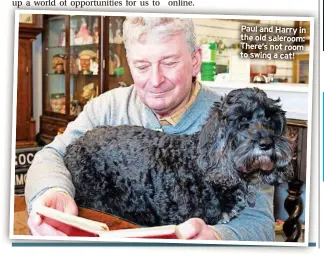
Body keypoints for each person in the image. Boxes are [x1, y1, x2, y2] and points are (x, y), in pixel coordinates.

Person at [25, 16, 275, 240]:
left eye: (169, 62)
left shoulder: (235, 121)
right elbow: (50, 155)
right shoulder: (107, 108)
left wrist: (218, 237)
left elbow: (260, 223)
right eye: (142, 66)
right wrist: (53, 190)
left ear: (195, 60)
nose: (155, 81)